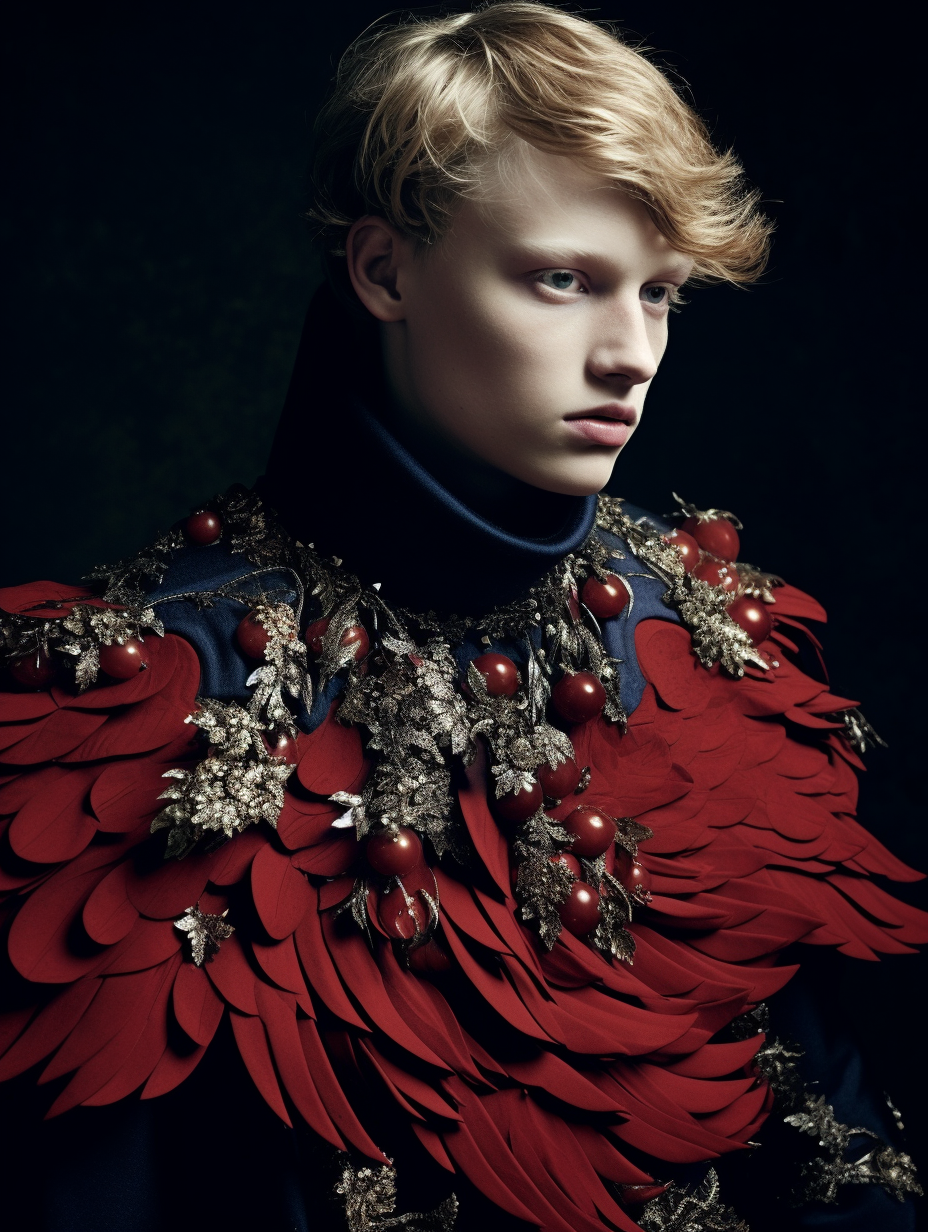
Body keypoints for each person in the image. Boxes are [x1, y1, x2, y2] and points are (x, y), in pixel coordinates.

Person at [0, 5, 924, 1230]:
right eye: (563, 280)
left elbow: (833, 1159)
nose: (628, 353)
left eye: (661, 295)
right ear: (384, 270)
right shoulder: (124, 693)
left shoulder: (699, 639)